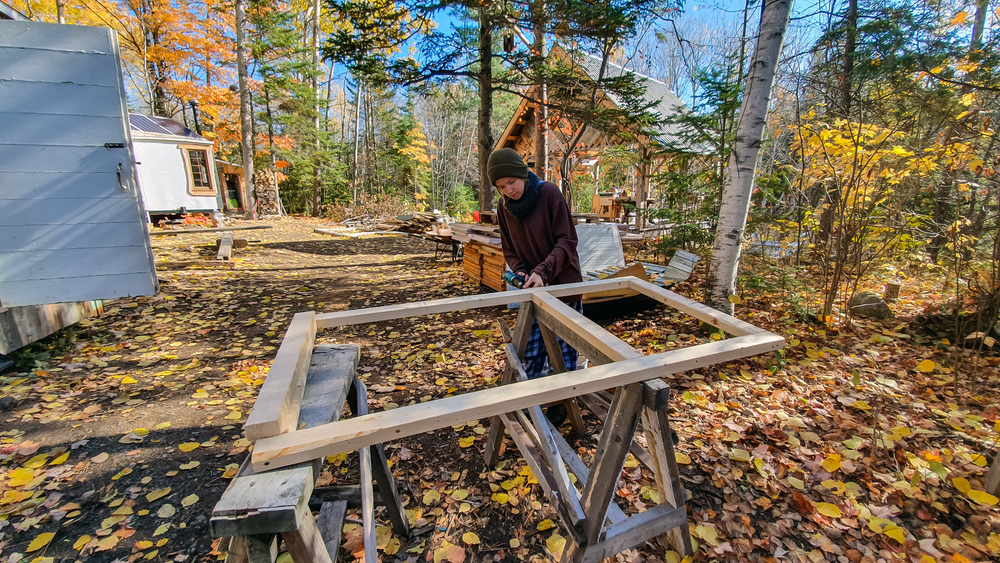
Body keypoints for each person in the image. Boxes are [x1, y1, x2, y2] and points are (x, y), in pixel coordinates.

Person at [489, 148, 583, 426]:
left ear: (521, 174)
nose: (508, 190)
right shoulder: (504, 208)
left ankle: (562, 404)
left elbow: (567, 242)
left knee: (563, 348)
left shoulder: (549, 193)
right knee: (531, 348)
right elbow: (509, 249)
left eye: (511, 182)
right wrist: (519, 270)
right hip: (533, 286)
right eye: (501, 187)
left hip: (562, 285)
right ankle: (534, 398)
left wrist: (542, 271)